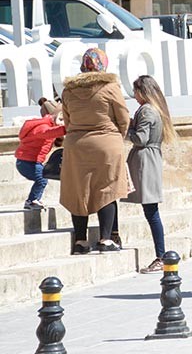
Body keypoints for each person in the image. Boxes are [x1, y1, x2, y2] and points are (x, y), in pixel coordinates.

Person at [60, 48, 130, 256]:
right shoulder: (110, 87)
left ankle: (80, 240)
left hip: (76, 145)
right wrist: (117, 137)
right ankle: (106, 239)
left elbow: (67, 120)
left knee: (78, 191)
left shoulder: (68, 91)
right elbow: (123, 118)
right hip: (106, 143)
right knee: (106, 190)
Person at [126, 75, 176, 273]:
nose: (134, 95)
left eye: (136, 91)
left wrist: (126, 129)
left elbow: (140, 138)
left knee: (151, 211)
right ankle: (160, 255)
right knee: (151, 210)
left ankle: (161, 255)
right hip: (150, 159)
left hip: (145, 161)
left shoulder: (147, 110)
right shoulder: (155, 109)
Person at [15, 98, 65, 210]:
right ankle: (32, 200)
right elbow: (47, 133)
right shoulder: (42, 126)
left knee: (42, 178)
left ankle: (34, 199)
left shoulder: (49, 125)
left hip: (31, 161)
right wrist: (65, 129)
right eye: (61, 118)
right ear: (53, 116)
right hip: (26, 162)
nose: (63, 121)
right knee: (42, 179)